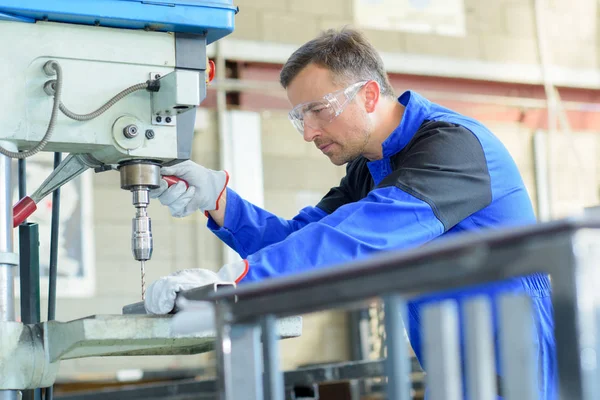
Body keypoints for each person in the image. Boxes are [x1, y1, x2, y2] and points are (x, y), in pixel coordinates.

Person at [145, 28, 556, 399]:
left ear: (370, 95)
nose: (308, 132)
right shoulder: (370, 166)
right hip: (453, 366)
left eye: (318, 110)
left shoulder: (452, 148)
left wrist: (236, 286)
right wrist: (219, 202)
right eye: (298, 117)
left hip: (519, 364)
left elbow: (357, 237)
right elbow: (302, 240)